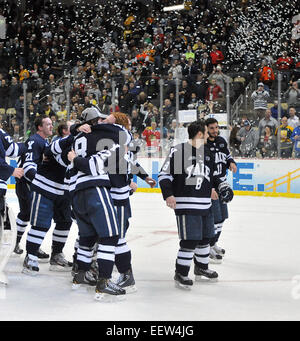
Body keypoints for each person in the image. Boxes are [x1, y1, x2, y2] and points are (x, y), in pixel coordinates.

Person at [158, 120, 233, 289]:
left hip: (205, 204)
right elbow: (164, 176)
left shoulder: (207, 152)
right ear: (200, 134)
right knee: (189, 241)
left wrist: (222, 186)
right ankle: (181, 272)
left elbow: (214, 176)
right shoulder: (180, 151)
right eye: (206, 132)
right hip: (186, 204)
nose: (208, 135)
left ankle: (201, 267)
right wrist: (168, 195)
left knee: (206, 238)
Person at [22, 116, 73, 274]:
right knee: (40, 225)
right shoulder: (58, 141)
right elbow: (50, 153)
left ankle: (56, 255)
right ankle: (30, 256)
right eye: (74, 127)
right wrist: (35, 180)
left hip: (63, 191)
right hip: (45, 188)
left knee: (65, 222)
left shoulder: (78, 144)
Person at [205, 118, 237, 264]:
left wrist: (231, 162)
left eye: (216, 128)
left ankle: (213, 243)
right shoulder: (203, 144)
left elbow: (228, 155)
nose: (215, 130)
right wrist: (210, 187)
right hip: (211, 187)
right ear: (206, 129)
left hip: (222, 184)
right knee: (214, 218)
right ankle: (206, 248)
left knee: (222, 217)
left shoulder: (221, 141)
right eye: (211, 128)